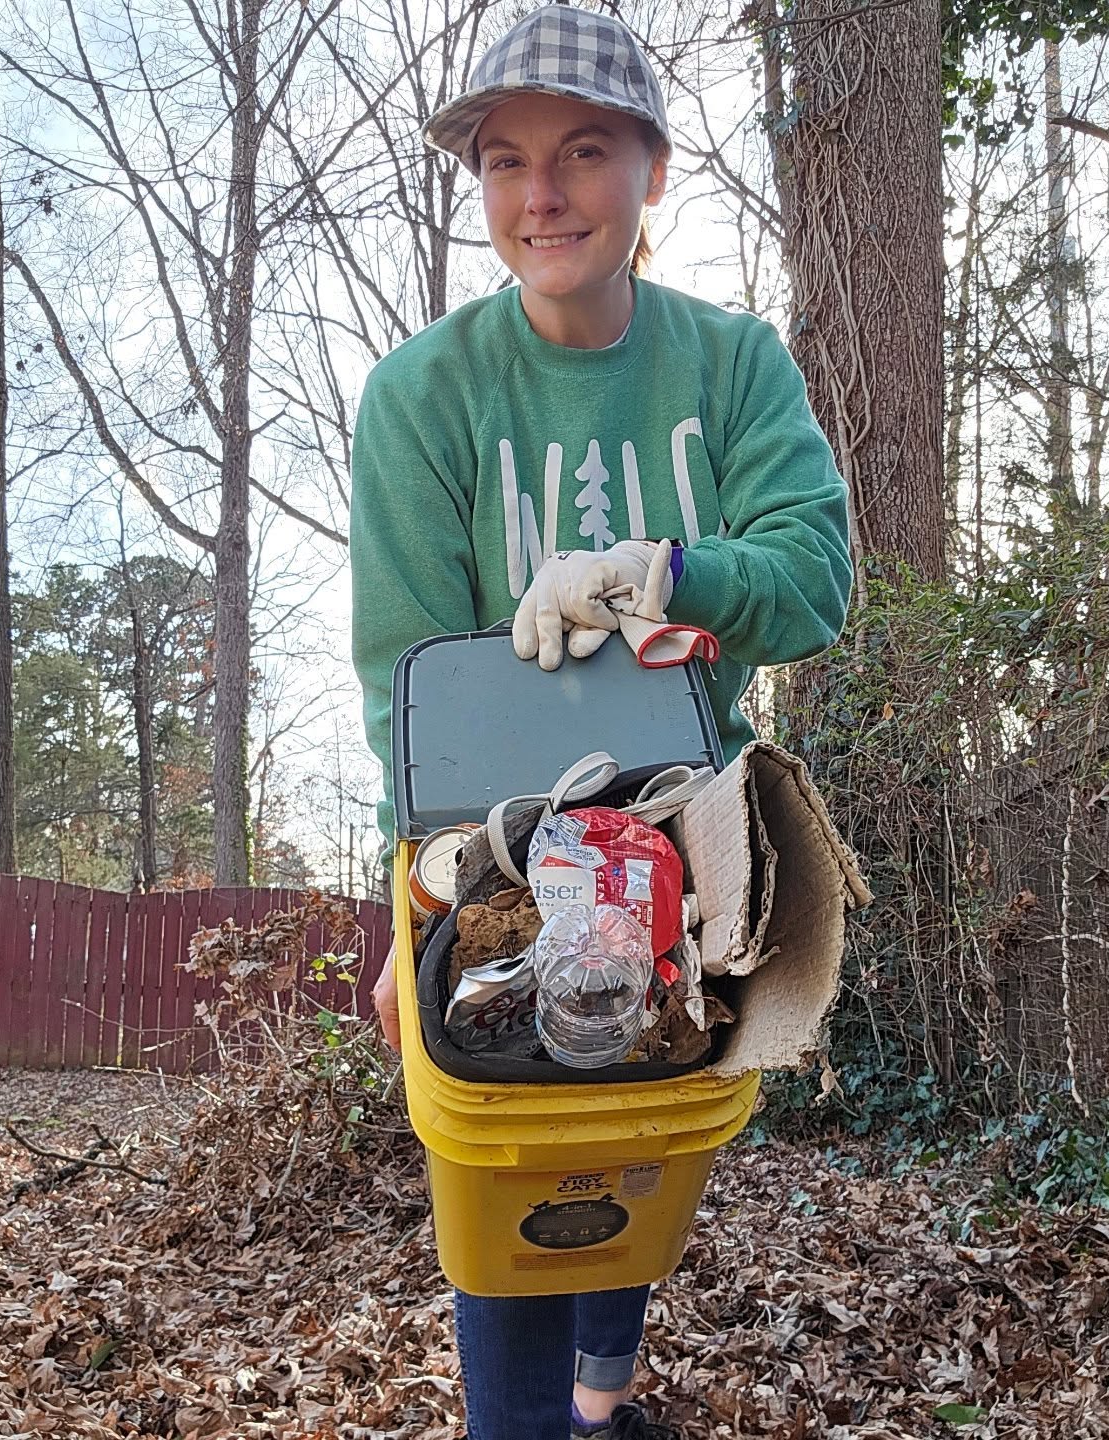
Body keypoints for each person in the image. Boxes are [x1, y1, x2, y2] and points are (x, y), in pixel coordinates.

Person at [349, 7, 853, 1437]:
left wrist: (669, 574)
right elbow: (408, 670)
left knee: (639, 1114)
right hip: (490, 841)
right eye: (503, 161)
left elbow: (815, 580)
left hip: (679, 825)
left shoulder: (731, 365)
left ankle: (601, 1402)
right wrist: (408, 914)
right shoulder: (423, 397)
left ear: (652, 169)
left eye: (581, 151)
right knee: (509, 1128)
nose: (541, 193)